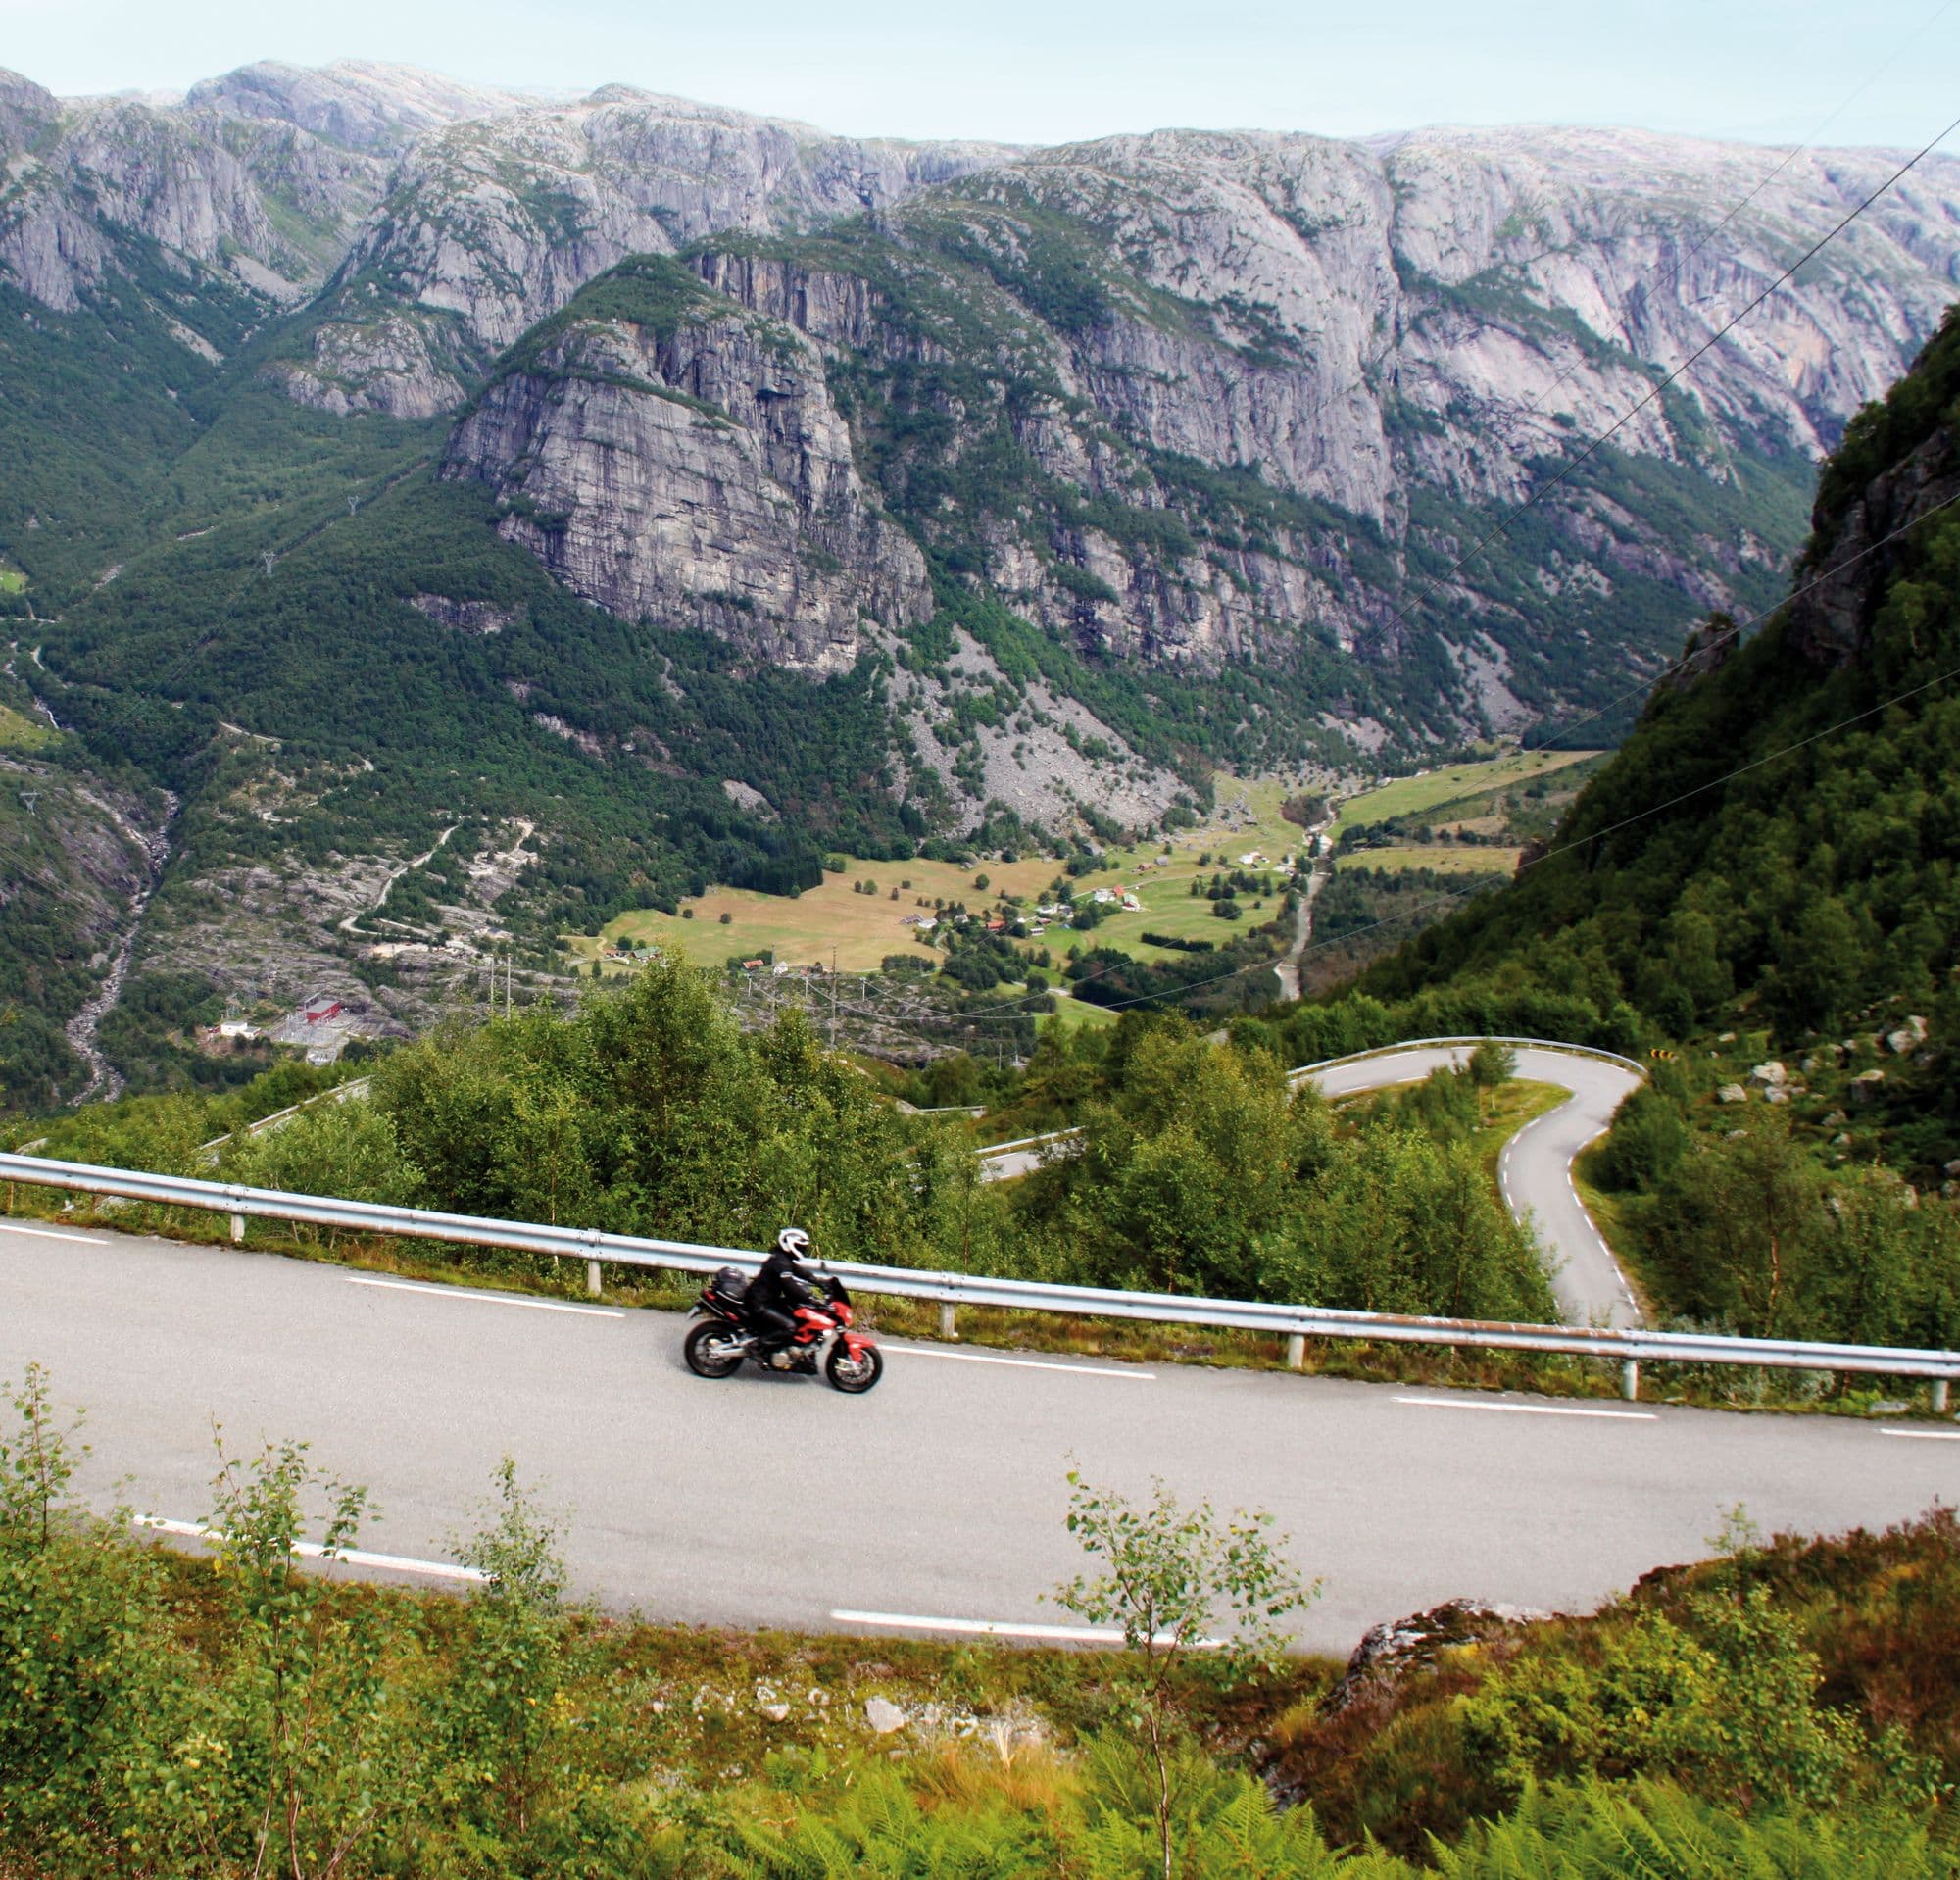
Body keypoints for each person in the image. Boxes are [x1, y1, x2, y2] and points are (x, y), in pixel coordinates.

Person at [745, 1226, 824, 1356]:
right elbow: (790, 1286)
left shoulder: (783, 1259)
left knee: (794, 1314)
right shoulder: (780, 1263)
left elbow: (799, 1271)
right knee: (790, 1326)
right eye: (799, 1247)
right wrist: (810, 1298)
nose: (802, 1250)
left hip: (767, 1299)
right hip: (759, 1303)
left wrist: (820, 1282)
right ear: (789, 1244)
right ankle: (755, 1345)